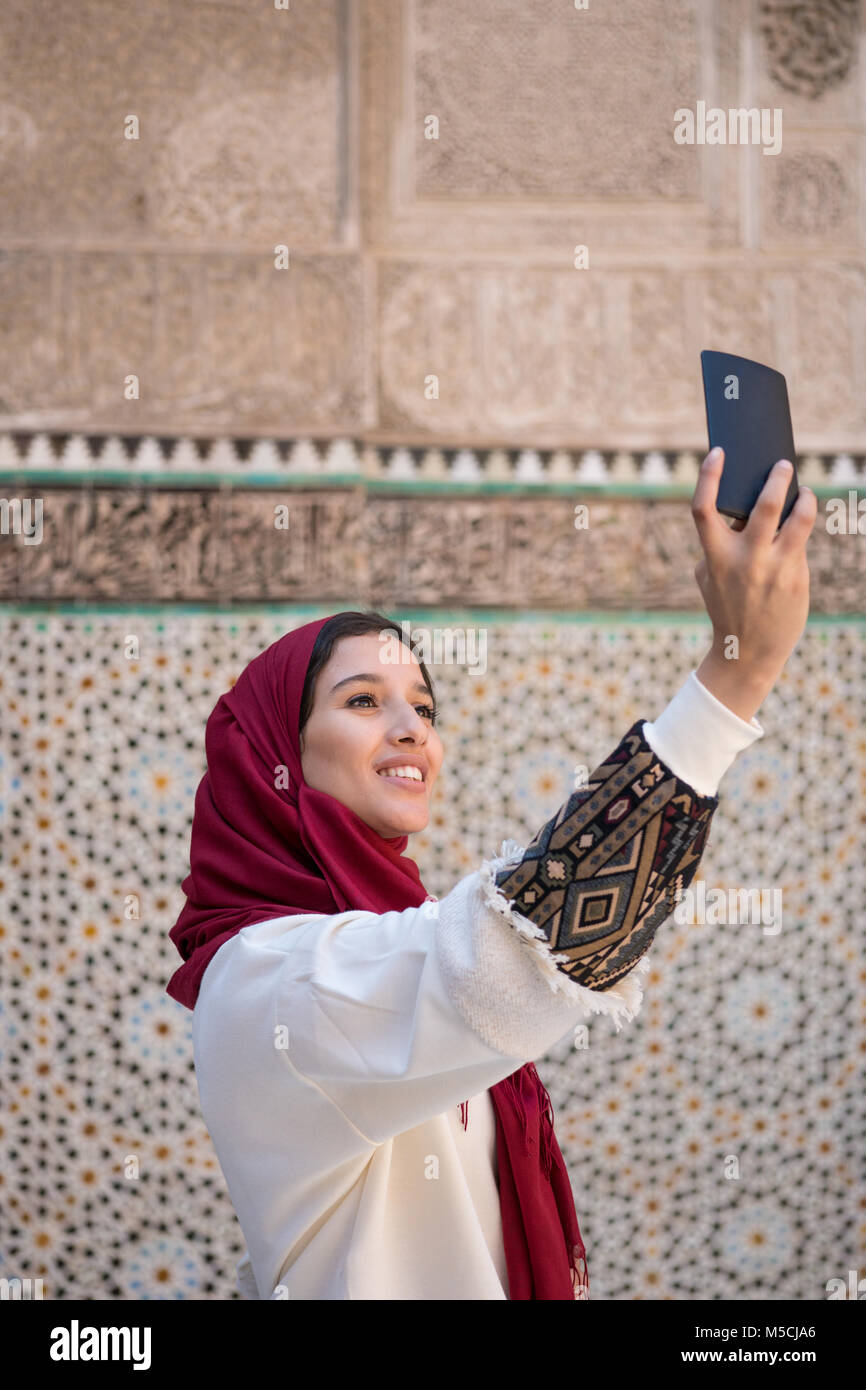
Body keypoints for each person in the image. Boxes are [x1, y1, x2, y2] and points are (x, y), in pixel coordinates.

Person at [166, 448, 816, 1299]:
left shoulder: (392, 942)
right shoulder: (264, 978)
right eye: (363, 701)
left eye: (424, 708)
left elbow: (502, 948)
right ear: (272, 759)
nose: (412, 730)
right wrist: (734, 680)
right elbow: (514, 958)